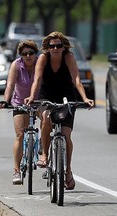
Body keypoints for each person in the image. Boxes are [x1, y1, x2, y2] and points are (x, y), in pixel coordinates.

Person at [24, 31, 94, 190]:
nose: (55, 48)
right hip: (46, 96)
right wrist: (31, 96)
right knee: (47, 117)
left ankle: (68, 171)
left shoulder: (69, 57)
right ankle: (45, 155)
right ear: (47, 48)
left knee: (66, 134)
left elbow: (76, 79)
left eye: (58, 46)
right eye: (52, 46)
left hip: (66, 97)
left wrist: (84, 98)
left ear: (64, 47)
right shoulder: (43, 58)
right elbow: (37, 80)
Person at [0, 40, 39, 185]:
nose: (28, 56)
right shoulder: (16, 65)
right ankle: (16, 171)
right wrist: (5, 100)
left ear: (36, 54)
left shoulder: (41, 64)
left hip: (38, 101)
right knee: (20, 134)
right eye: (24, 54)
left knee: (48, 122)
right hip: (20, 102)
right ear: (20, 55)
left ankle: (44, 149)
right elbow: (10, 84)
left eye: (31, 53)